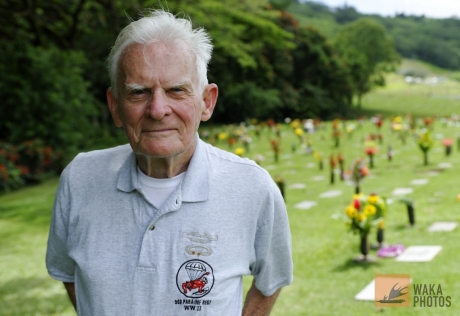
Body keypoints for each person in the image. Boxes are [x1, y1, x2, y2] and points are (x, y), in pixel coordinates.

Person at [46, 9, 293, 315]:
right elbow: (69, 274)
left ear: (207, 102)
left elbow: (270, 282)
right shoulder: (79, 179)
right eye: (138, 92)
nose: (157, 109)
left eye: (177, 90)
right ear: (115, 106)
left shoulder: (252, 187)